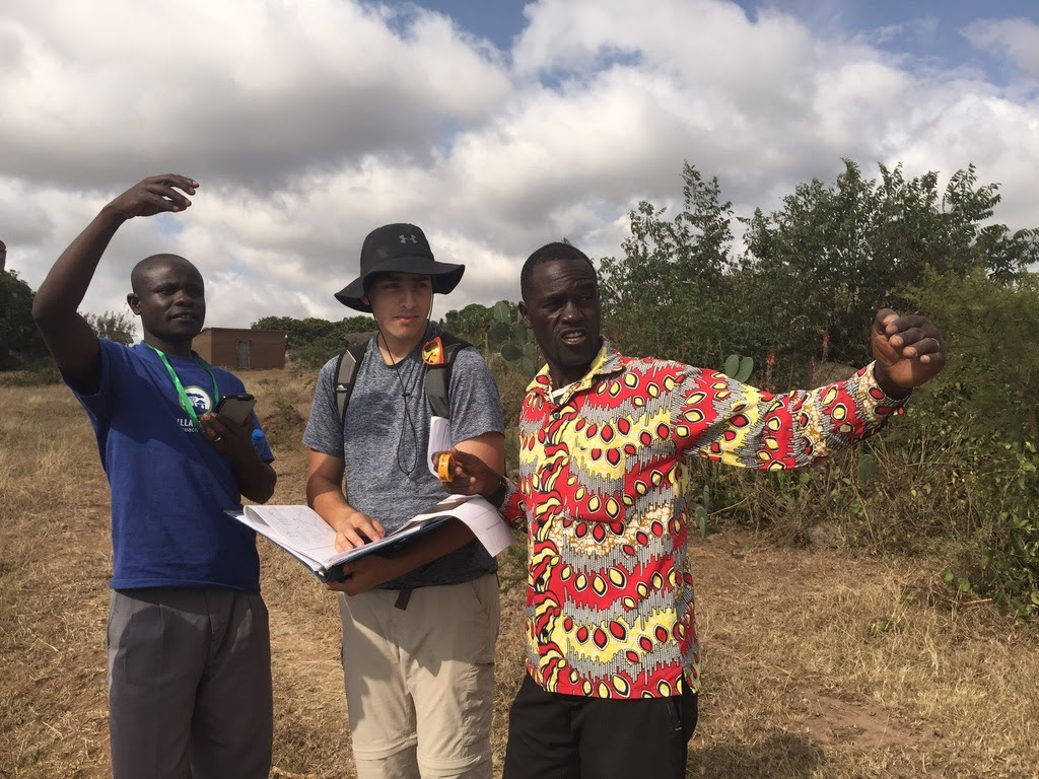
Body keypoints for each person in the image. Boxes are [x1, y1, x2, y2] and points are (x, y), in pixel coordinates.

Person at [441, 242, 947, 779]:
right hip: (548, 671)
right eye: (554, 303)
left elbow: (784, 426)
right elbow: (553, 517)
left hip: (636, 677)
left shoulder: (659, 391)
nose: (573, 313)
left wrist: (885, 384)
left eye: (584, 297)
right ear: (526, 315)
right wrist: (499, 492)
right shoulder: (538, 402)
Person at [31, 174, 278, 779]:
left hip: (238, 592)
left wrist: (238, 452)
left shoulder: (230, 385)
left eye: (192, 290)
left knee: (238, 763)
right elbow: (51, 310)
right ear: (136, 307)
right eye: (165, 291)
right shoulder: (114, 368)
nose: (182, 299)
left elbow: (263, 487)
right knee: (150, 763)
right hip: (153, 591)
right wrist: (114, 212)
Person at [302, 223, 506, 779]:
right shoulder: (339, 374)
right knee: (381, 763)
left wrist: (384, 565)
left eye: (420, 284)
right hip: (365, 606)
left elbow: (477, 507)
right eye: (392, 286)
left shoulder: (462, 368)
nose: (408, 299)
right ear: (368, 295)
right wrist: (342, 516)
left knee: (452, 767)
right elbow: (319, 481)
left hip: (451, 598)